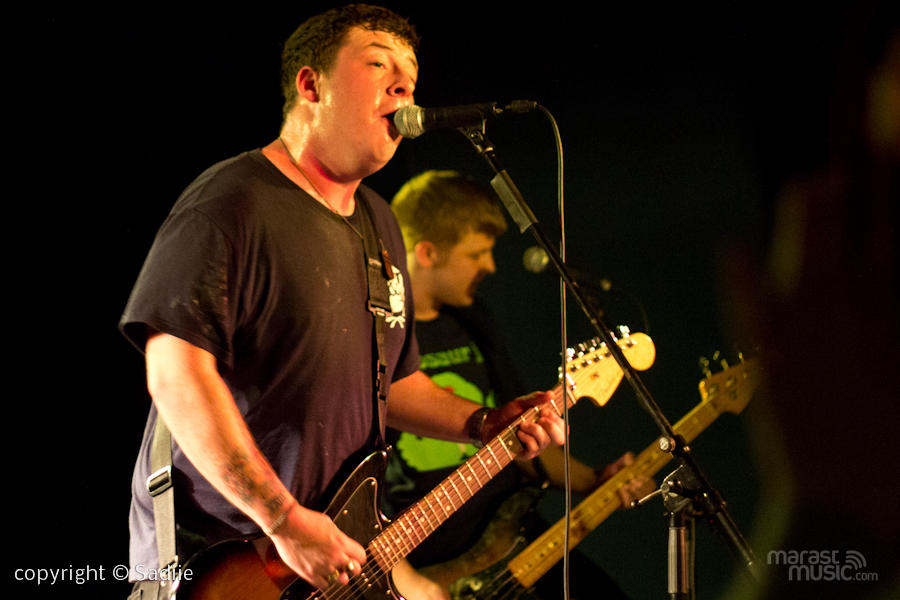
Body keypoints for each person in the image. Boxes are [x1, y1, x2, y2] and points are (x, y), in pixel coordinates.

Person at [119, 6, 565, 599]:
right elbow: (174, 375)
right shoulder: (232, 202)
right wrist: (282, 519)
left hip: (331, 560)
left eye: (411, 76)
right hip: (227, 559)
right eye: (379, 64)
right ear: (311, 85)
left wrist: (482, 423)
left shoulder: (379, 222)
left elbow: (392, 385)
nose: (403, 86)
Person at [386, 170, 654, 600]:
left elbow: (521, 441)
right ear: (428, 252)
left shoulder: (475, 322)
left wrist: (596, 479)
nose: (490, 266)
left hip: (515, 538)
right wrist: (408, 581)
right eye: (477, 254)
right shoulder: (381, 334)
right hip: (433, 567)